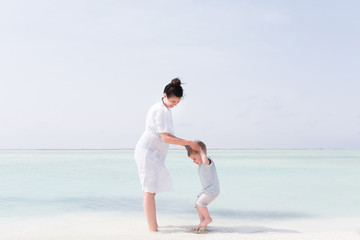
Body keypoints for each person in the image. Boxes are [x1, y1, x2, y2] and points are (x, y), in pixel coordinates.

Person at [134, 78, 201, 232]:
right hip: (147, 152)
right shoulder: (159, 110)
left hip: (154, 153)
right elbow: (165, 138)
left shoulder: (166, 110)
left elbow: (168, 136)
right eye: (172, 100)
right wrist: (189, 142)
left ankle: (154, 228)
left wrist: (185, 144)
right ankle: (153, 231)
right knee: (149, 191)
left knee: (152, 191)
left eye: (177, 102)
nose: (174, 104)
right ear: (164, 95)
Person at [186, 140, 220, 232]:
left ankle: (208, 219)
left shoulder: (208, 161)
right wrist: (186, 146)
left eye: (194, 158)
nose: (193, 161)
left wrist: (201, 151)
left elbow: (205, 161)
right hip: (207, 190)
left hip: (212, 190)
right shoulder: (201, 164)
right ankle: (202, 223)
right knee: (197, 204)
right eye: (192, 159)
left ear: (201, 153)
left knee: (201, 203)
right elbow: (190, 150)